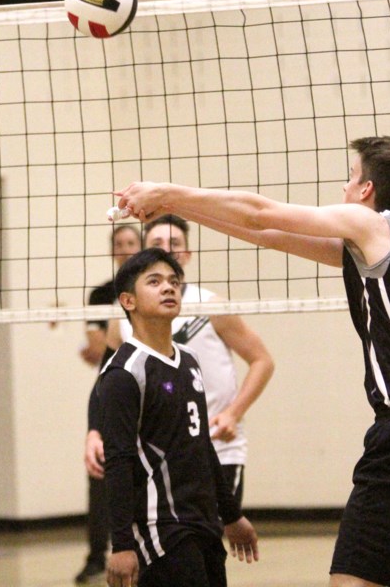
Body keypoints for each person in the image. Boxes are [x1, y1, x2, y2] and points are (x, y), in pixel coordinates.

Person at [114, 136, 390, 587]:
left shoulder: (371, 224)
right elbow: (265, 234)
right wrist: (180, 213)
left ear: (366, 189)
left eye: (351, 176)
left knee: (352, 579)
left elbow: (259, 212)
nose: (344, 187)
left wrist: (165, 193)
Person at [98, 247, 259, 587]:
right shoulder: (123, 374)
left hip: (204, 522)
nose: (169, 288)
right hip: (160, 529)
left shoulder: (188, 361)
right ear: (128, 301)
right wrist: (122, 544)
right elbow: (118, 461)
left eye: (173, 281)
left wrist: (231, 515)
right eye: (154, 282)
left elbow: (200, 444)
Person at [110, 214, 275, 509]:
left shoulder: (211, 305)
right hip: (155, 455)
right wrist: (96, 431)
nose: (167, 250)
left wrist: (233, 414)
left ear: (186, 254)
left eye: (174, 243)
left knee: (210, 538)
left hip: (216, 447)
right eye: (158, 243)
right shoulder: (123, 314)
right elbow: (110, 379)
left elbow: (262, 360)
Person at [75, 224, 142, 584]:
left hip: (145, 389)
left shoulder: (152, 289)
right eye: (120, 244)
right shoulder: (102, 293)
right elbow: (98, 345)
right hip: (113, 384)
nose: (126, 248)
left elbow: (100, 343)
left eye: (132, 242)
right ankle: (95, 554)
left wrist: (102, 343)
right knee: (101, 471)